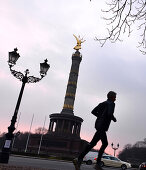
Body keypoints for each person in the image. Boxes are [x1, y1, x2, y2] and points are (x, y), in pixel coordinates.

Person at [73, 91, 117, 170]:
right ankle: (93, 163)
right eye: (114, 97)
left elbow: (93, 111)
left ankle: (80, 160)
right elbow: (109, 114)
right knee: (102, 143)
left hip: (98, 125)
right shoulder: (111, 104)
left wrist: (100, 117)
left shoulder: (102, 103)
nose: (115, 99)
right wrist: (114, 119)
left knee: (96, 143)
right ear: (111, 97)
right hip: (103, 126)